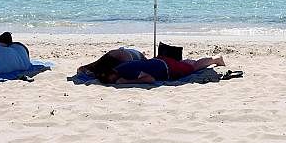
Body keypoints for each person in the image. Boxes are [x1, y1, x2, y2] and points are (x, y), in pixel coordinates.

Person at [96, 54, 225, 84]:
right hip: (159, 61)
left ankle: (215, 59)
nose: (111, 81)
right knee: (186, 65)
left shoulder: (125, 72)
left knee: (193, 67)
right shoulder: (119, 68)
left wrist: (126, 82)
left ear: (112, 73)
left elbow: (149, 79)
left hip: (167, 67)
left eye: (109, 79)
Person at [77, 47, 147, 77]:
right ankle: (95, 72)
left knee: (95, 67)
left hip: (116, 53)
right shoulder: (143, 61)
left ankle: (93, 71)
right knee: (98, 68)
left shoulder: (141, 57)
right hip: (122, 56)